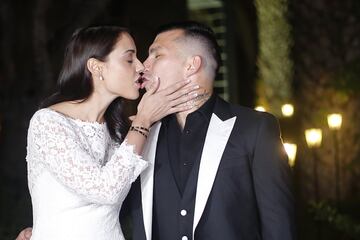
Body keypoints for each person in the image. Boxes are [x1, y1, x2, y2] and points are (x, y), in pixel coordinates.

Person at [17, 21, 296, 240]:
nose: (143, 67)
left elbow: (278, 225)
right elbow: (105, 196)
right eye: (133, 59)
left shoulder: (254, 129)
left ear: (191, 65)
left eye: (154, 55)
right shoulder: (139, 134)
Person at [16, 25, 200, 240]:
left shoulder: (121, 130)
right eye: (129, 60)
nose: (141, 67)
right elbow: (106, 190)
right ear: (96, 67)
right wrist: (143, 120)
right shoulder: (48, 123)